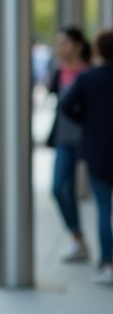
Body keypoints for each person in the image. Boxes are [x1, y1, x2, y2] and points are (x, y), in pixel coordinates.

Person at [60, 28, 113, 284]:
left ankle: (108, 263)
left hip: (99, 152)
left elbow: (67, 105)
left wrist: (87, 121)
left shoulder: (89, 78)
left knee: (104, 208)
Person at [47, 26, 93, 264]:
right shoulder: (57, 70)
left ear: (77, 45)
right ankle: (78, 238)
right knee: (58, 188)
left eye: (64, 43)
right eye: (58, 43)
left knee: (102, 194)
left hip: (89, 139)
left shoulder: (90, 71)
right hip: (64, 138)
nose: (60, 48)